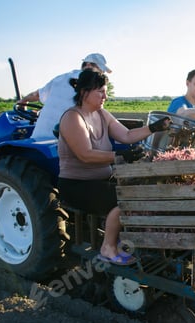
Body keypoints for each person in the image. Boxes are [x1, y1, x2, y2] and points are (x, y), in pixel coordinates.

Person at [57, 69, 171, 266]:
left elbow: (126, 135)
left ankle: (120, 238)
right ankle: (107, 248)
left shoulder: (101, 114)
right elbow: (85, 155)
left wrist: (153, 128)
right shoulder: (72, 118)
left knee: (137, 191)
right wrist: (119, 155)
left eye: (105, 90)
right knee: (123, 200)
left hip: (101, 179)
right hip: (76, 185)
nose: (105, 96)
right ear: (84, 92)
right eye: (100, 91)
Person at [17, 53, 112, 140]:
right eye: (101, 71)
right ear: (90, 66)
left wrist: (23, 101)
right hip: (65, 142)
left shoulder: (60, 78)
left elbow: (36, 95)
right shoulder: (92, 84)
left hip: (38, 137)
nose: (101, 75)